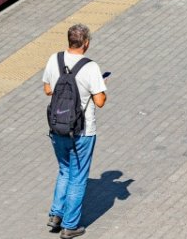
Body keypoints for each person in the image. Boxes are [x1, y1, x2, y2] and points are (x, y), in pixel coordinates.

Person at [43, 24, 107, 238]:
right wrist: (100, 85)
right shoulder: (91, 67)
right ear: (86, 43)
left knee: (64, 170)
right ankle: (70, 226)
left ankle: (56, 214)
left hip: (57, 127)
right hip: (82, 131)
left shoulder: (55, 59)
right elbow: (100, 102)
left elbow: (47, 89)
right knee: (78, 178)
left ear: (69, 40)